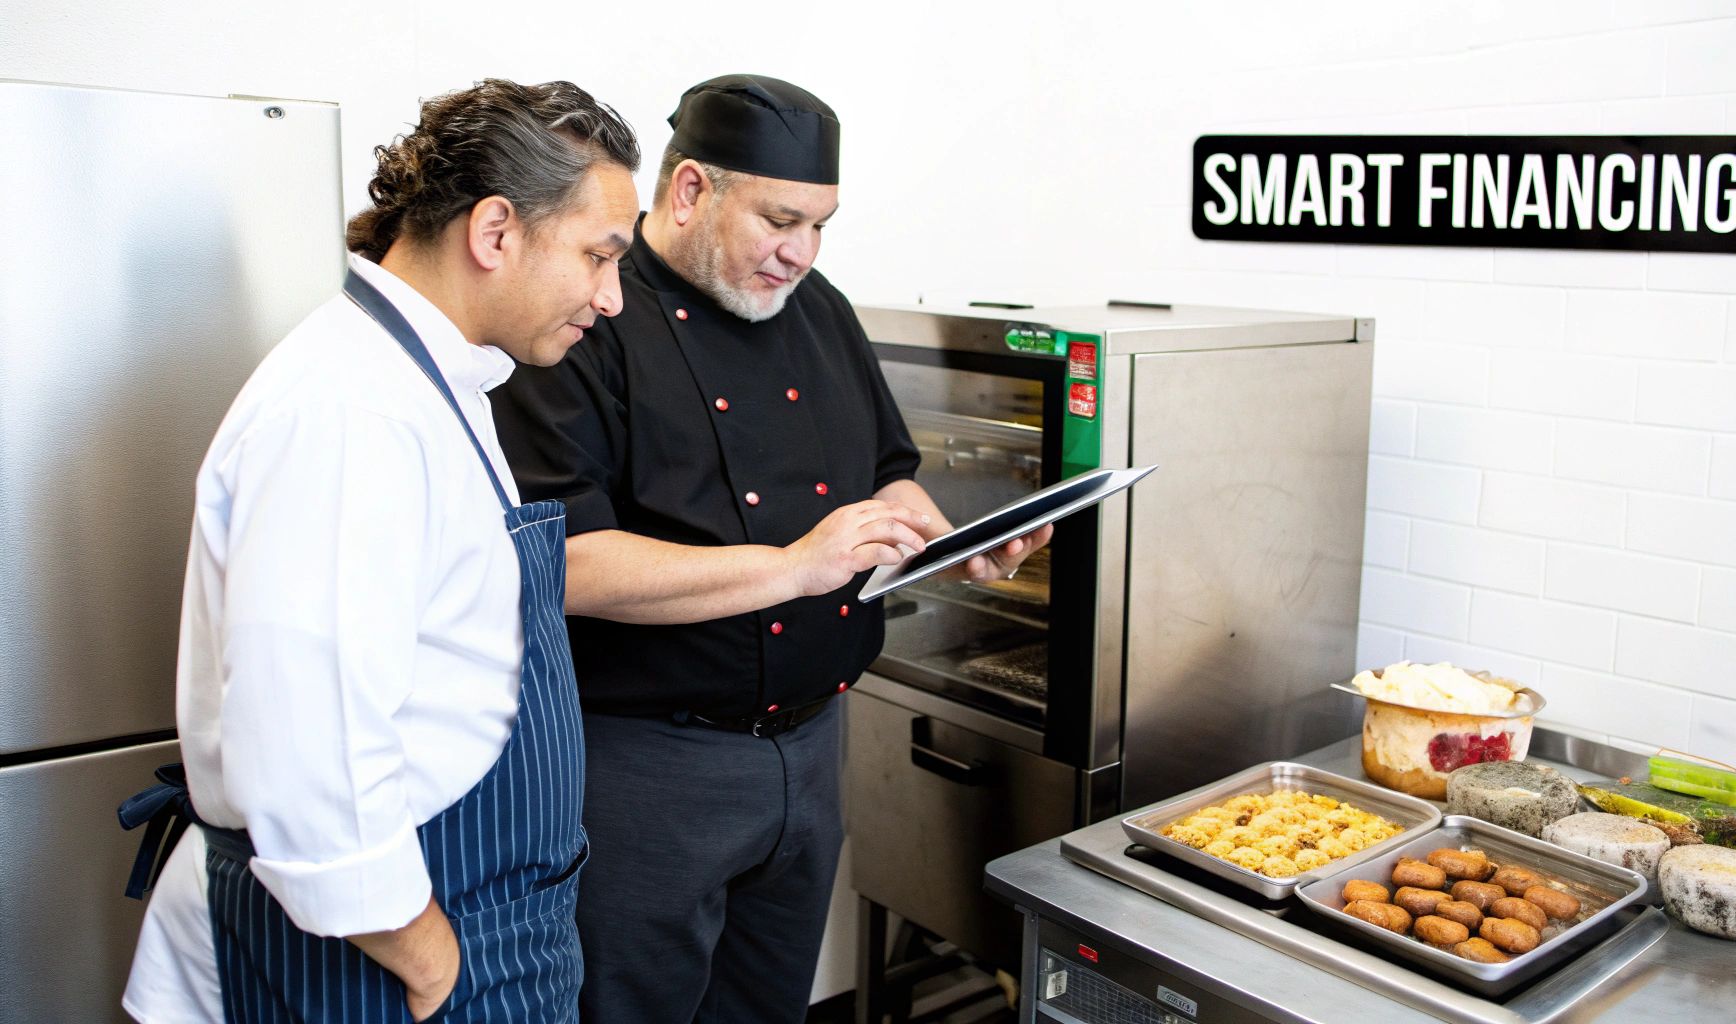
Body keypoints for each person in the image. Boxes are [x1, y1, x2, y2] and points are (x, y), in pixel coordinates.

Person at [489, 73, 1049, 1023]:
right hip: (645, 771)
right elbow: (568, 564)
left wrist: (945, 540)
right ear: (691, 190)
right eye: (781, 221)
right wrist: (795, 567)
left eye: (821, 225)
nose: (802, 252)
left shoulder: (820, 308)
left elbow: (888, 474)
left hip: (813, 750)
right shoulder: (587, 317)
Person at [117, 78, 641, 1023]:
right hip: (388, 949)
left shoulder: (429, 380)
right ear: (495, 232)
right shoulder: (354, 408)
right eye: (598, 257)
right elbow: (302, 733)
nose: (611, 298)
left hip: (475, 906)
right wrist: (423, 951)